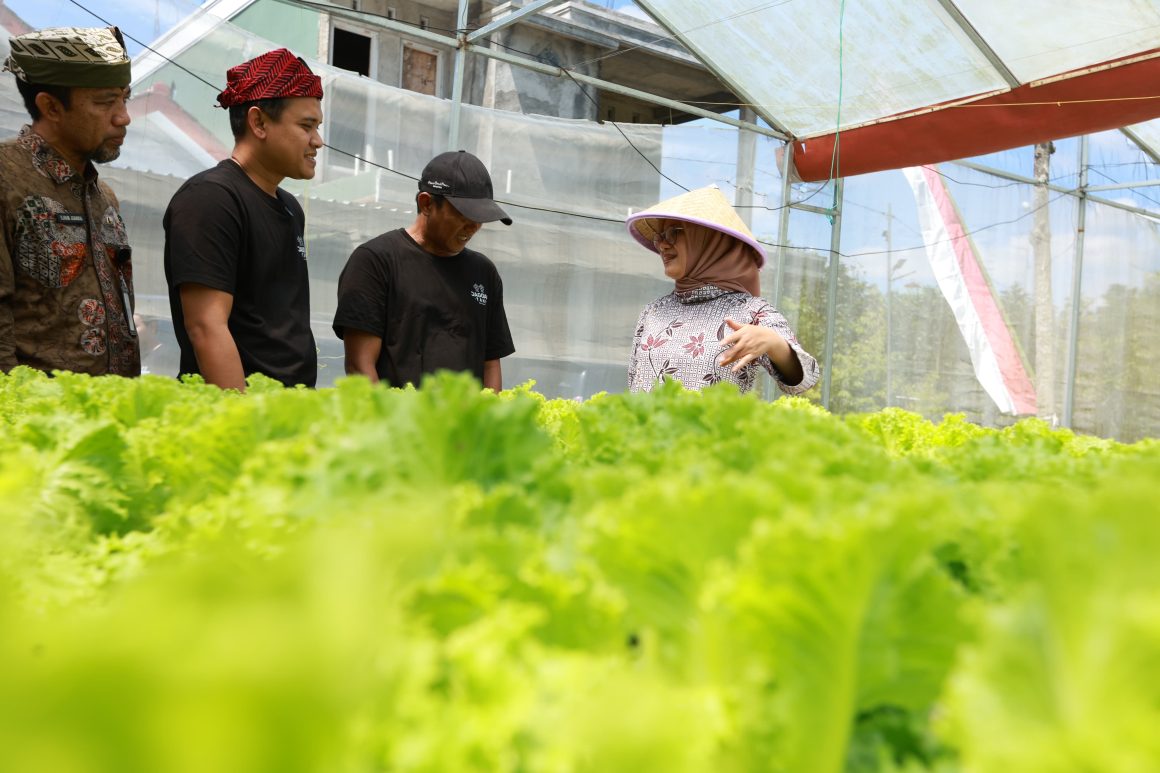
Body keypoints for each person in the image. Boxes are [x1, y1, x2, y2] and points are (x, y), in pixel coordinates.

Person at [163, 48, 323, 390]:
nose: (318, 141)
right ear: (259, 122)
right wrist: (242, 423)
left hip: (288, 414)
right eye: (306, 126)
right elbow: (206, 327)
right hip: (243, 419)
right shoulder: (211, 198)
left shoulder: (290, 207)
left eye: (317, 127)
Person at [0, 26, 139, 376]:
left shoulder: (103, 197)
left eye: (125, 98)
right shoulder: (6, 179)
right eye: (105, 102)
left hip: (108, 416)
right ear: (51, 106)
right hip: (34, 421)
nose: (124, 116)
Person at [333, 150, 515, 390]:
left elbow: (490, 362)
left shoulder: (484, 273)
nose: (473, 227)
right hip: (398, 422)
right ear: (427, 204)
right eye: (464, 215)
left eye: (481, 218)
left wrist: (487, 421)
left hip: (464, 425)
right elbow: (360, 367)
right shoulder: (376, 261)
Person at [626, 185, 819, 395]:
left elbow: (804, 379)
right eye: (660, 237)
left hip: (715, 428)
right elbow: (634, 385)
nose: (662, 245)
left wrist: (774, 344)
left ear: (709, 239)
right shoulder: (653, 312)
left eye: (673, 233)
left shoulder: (752, 312)